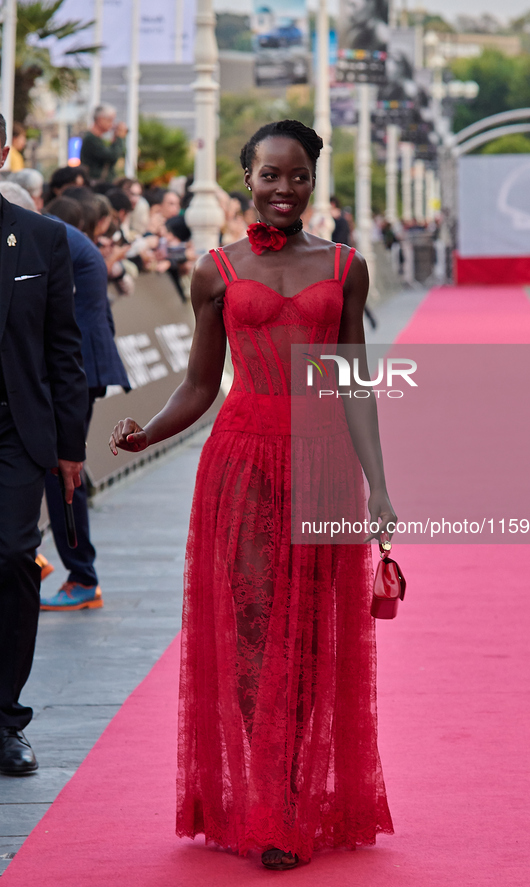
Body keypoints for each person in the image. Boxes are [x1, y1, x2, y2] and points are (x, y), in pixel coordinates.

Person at [109, 119, 396, 869]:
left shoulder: (344, 266)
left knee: (308, 632)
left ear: (312, 182)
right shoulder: (213, 270)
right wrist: (149, 433)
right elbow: (200, 384)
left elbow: (354, 385)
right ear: (246, 179)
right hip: (239, 463)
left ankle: (291, 793)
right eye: (270, 174)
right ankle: (258, 789)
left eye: (297, 175)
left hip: (325, 461)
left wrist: (379, 484)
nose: (283, 188)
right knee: (249, 628)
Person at [0, 113, 88, 775]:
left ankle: (6, 719)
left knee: (10, 558)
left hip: (14, 429)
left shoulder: (41, 238)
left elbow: (64, 347)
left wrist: (69, 446)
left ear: (5, 151)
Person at [38, 197, 130, 611]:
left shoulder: (48, 237)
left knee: (62, 472)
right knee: (51, 468)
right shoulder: (68, 239)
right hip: (84, 362)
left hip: (76, 367)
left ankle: (80, 575)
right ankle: (35, 558)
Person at [80, 104, 127, 184]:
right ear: (100, 119)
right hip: (97, 184)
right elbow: (111, 155)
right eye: (110, 120)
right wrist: (120, 138)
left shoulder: (96, 139)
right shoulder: (91, 139)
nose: (112, 124)